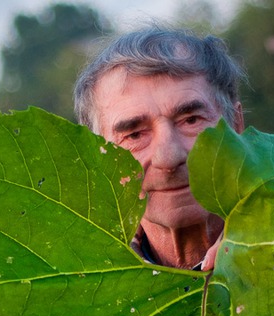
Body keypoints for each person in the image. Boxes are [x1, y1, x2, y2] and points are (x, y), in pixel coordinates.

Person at [74, 27, 245, 272]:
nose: (169, 157)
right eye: (134, 134)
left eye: (191, 120)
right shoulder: (88, 291)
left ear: (237, 124)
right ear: (98, 160)